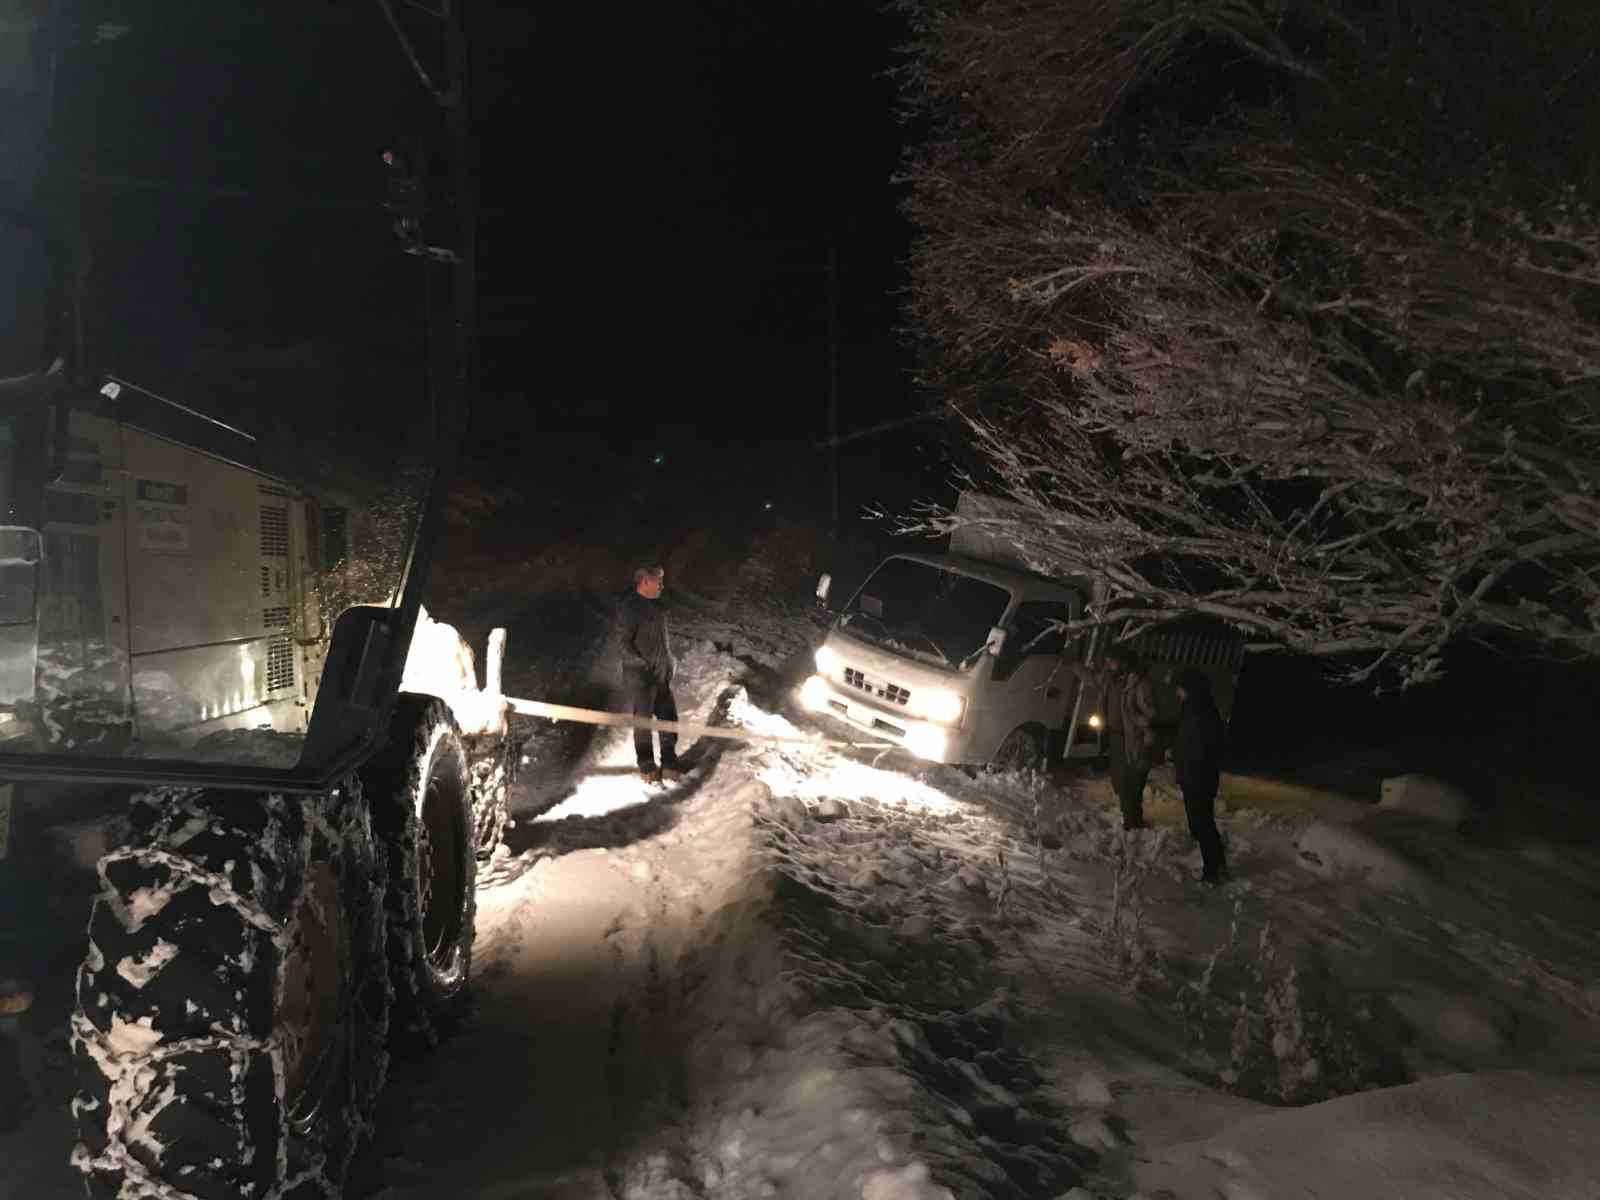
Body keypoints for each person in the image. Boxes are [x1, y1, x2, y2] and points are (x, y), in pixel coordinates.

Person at [1068, 646, 1158, 830]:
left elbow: (1151, 713)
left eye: (1111, 661)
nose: (1108, 664)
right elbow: (1093, 680)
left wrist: (1135, 719)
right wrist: (1074, 665)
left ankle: (1132, 823)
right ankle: (1132, 819)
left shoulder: (1139, 683)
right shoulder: (1111, 678)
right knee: (1119, 781)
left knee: (1131, 782)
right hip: (1116, 738)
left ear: (1124, 662)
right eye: (1107, 661)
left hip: (1132, 739)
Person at [617, 564, 681, 784]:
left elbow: (662, 641)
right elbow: (623, 643)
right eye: (658, 581)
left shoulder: (658, 606)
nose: (662, 585)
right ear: (645, 581)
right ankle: (646, 764)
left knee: (668, 717)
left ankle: (670, 760)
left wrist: (669, 660)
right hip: (640, 676)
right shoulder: (630, 608)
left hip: (661, 673)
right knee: (643, 721)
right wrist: (641, 664)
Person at [1175, 669, 1228, 885]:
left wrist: (1188, 763)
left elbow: (1204, 748)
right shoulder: (1192, 710)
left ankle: (1213, 872)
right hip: (1193, 776)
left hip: (1199, 778)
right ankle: (1217, 866)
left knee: (1202, 825)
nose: (1176, 692)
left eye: (1180, 688)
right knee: (1200, 825)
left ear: (1190, 690)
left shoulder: (1202, 713)